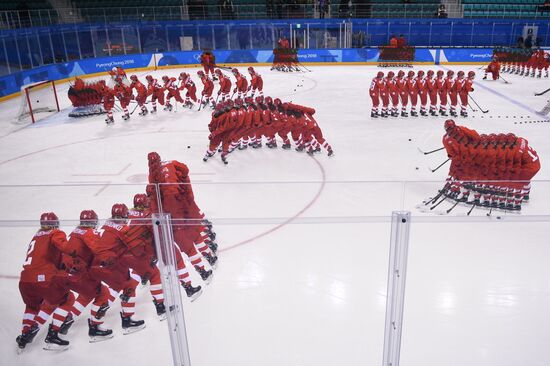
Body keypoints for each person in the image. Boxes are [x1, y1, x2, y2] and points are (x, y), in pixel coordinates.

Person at [16, 213, 74, 352]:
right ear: (55, 223)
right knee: (67, 298)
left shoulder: (36, 236)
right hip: (43, 279)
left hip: (25, 280)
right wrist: (74, 250)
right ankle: (53, 335)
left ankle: (24, 336)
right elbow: (65, 248)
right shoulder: (55, 233)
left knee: (32, 306)